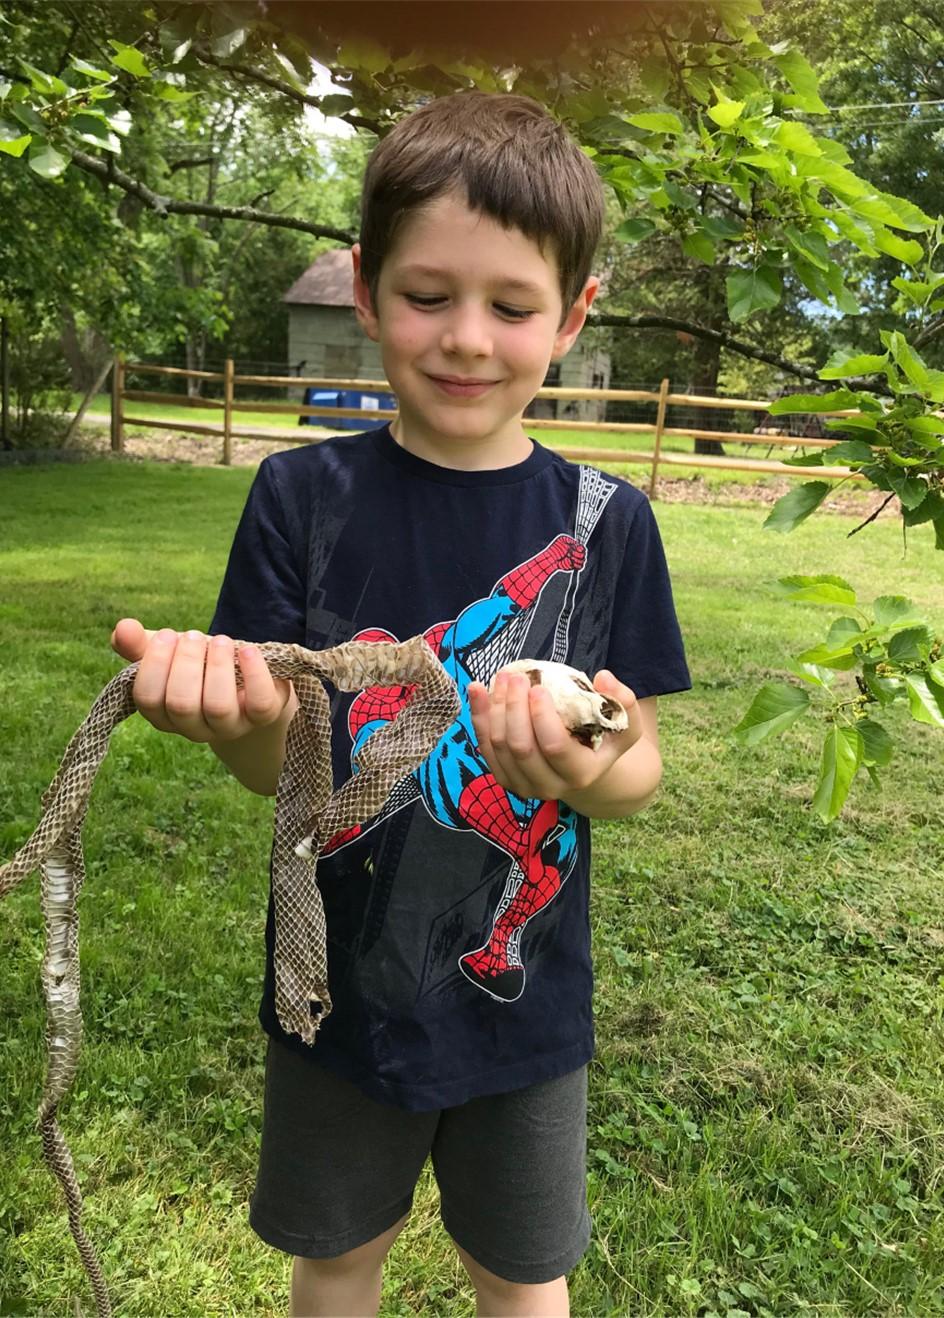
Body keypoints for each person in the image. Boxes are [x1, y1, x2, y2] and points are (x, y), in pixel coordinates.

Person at [112, 90, 690, 1318]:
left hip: (520, 1004)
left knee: (524, 1273)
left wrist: (587, 763)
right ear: (366, 293)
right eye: (427, 296)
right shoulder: (298, 500)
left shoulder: (607, 523)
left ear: (572, 317)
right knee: (335, 1260)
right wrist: (233, 715)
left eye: (511, 305)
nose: (467, 337)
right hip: (337, 998)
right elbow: (281, 766)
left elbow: (640, 763)